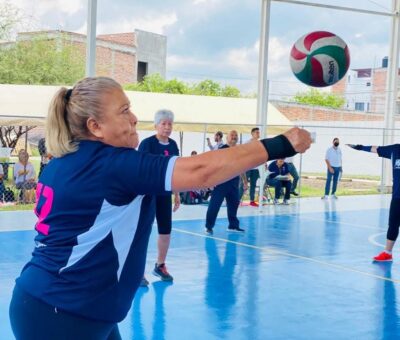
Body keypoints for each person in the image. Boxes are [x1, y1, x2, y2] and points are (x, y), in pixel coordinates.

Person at [9, 76, 311, 339]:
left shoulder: (65, 162)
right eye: (124, 110)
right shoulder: (113, 166)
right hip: (63, 314)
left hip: (63, 305)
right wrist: (281, 144)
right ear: (95, 126)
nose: (133, 117)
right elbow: (201, 171)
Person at [138, 109, 180, 284]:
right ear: (156, 125)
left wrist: (177, 194)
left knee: (165, 231)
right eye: (163, 123)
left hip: (165, 193)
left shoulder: (173, 145)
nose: (167, 127)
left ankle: (160, 265)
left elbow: (176, 170)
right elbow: (139, 169)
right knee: (143, 231)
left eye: (170, 124)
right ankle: (137, 270)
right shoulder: (147, 144)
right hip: (148, 193)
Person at [348, 143, 400, 262]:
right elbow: (376, 149)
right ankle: (387, 253)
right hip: (397, 197)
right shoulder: (395, 149)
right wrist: (360, 147)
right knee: (393, 225)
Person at [205, 130, 247, 235]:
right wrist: (211, 180)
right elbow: (214, 165)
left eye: (236, 135)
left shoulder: (239, 150)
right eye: (232, 135)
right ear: (227, 138)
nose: (234, 137)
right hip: (221, 182)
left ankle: (233, 226)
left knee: (234, 205)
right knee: (214, 205)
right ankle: (209, 226)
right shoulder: (222, 149)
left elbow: (241, 167)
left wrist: (245, 181)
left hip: (234, 183)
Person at [246, 127, 261, 206]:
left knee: (253, 185)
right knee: (243, 184)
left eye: (259, 132)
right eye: (257, 132)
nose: (258, 134)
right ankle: (236, 201)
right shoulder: (247, 143)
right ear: (252, 134)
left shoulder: (260, 143)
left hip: (255, 168)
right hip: (247, 167)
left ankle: (252, 201)